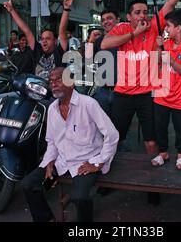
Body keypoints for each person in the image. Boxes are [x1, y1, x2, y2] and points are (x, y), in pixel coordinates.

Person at [101, 0, 181, 155]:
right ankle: (107, 178)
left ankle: (153, 186)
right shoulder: (122, 29)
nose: (142, 15)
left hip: (147, 95)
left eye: (145, 11)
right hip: (122, 95)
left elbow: (171, 1)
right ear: (129, 17)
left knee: (151, 143)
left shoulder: (154, 27)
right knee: (114, 139)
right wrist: (133, 35)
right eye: (137, 13)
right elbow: (105, 44)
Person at [21, 67, 119, 222]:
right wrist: (50, 162)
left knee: (79, 198)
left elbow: (112, 134)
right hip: (61, 161)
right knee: (29, 185)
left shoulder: (88, 104)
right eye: (51, 81)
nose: (53, 84)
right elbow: (52, 141)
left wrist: (99, 162)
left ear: (71, 82)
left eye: (58, 79)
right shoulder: (52, 109)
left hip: (85, 162)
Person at [151, 10, 181, 170]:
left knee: (180, 129)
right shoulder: (166, 43)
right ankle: (163, 153)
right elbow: (156, 60)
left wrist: (169, 58)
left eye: (169, 26)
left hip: (180, 97)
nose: (166, 30)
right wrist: (158, 47)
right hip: (161, 94)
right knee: (159, 127)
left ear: (178, 28)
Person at [3, 0, 70, 79]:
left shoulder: (60, 52)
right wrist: (11, 10)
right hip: (37, 90)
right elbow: (26, 30)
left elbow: (62, 31)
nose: (44, 41)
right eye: (42, 39)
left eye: (48, 38)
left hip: (55, 90)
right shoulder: (38, 51)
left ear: (55, 41)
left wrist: (66, 9)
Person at [85, 9, 120, 117]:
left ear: (118, 20)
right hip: (102, 91)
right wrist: (91, 41)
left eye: (110, 18)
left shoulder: (125, 38)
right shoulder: (99, 41)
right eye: (103, 20)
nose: (106, 22)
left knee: (120, 127)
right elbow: (88, 62)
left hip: (121, 92)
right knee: (102, 127)